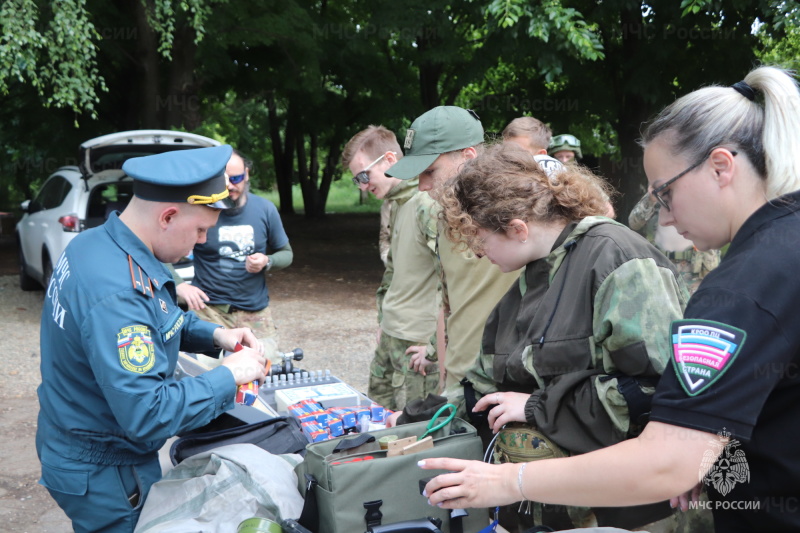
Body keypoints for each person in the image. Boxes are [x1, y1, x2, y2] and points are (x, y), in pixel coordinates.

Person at [421, 66, 800, 532]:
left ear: (721, 167)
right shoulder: (779, 255)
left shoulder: (742, 286)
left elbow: (664, 453)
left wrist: (510, 481)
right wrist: (705, 452)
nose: (663, 214)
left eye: (665, 192)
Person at [419, 142, 692, 531]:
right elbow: (481, 385)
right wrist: (410, 420)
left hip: (623, 514)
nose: (478, 253)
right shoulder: (535, 276)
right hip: (551, 508)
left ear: (517, 228)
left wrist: (537, 407)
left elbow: (659, 395)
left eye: (479, 238)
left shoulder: (619, 262)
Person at [36, 145, 268, 532]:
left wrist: (217, 335)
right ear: (168, 216)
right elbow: (148, 413)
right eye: (199, 230)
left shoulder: (99, 245)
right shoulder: (118, 291)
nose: (201, 242)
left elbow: (156, 316)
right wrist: (227, 376)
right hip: (107, 469)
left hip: (80, 440)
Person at [385, 106, 521, 395]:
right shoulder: (445, 218)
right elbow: (449, 306)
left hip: (505, 391)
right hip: (461, 387)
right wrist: (443, 374)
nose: (422, 186)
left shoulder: (523, 215)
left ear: (468, 158)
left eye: (429, 171)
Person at [341, 125, 440, 410]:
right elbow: (393, 272)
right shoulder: (395, 203)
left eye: (363, 175)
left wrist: (434, 347)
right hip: (391, 338)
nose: (361, 186)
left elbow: (452, 280)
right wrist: (384, 321)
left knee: (411, 435)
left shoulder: (425, 204)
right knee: (378, 422)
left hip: (417, 344)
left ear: (389, 160)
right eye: (356, 180)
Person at [176, 149, 292, 358]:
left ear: (247, 174)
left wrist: (268, 261)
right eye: (225, 180)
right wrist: (179, 284)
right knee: (203, 375)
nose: (231, 186)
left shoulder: (265, 209)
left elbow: (287, 253)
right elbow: (157, 251)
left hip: (255, 313)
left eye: (237, 178)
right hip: (209, 312)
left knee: (264, 375)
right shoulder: (200, 210)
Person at [628, 192, 720, 293]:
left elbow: (715, 226)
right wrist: (651, 199)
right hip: (660, 265)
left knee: (694, 306)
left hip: (692, 268)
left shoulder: (698, 189)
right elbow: (634, 223)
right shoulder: (658, 192)